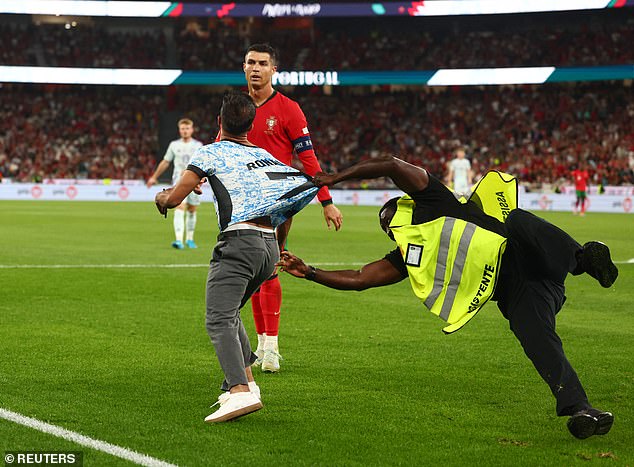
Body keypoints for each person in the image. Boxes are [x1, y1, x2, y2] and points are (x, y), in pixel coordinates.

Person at [278, 155, 619, 439]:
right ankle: (581, 409)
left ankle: (581, 260)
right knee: (539, 343)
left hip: (526, 254)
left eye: (389, 216)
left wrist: (336, 177)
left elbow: (390, 165)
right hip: (519, 294)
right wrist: (310, 272)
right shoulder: (407, 254)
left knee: (516, 220)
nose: (388, 223)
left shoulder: (434, 200)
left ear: (404, 202)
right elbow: (360, 278)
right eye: (386, 225)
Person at [154, 92, 318, 423]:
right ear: (252, 124)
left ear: (219, 122)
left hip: (238, 244)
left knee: (217, 318)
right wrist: (279, 249)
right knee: (231, 314)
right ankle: (248, 382)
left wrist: (161, 196)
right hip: (268, 245)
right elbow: (289, 205)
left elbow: (174, 199)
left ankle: (239, 392)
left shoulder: (210, 151)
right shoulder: (268, 156)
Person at [239, 43, 344, 372]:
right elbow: (221, 145)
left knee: (268, 266)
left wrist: (326, 201)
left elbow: (309, 159)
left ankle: (271, 348)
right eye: (251, 62)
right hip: (243, 201)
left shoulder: (288, 109)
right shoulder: (236, 107)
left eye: (263, 63)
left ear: (274, 70)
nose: (256, 68)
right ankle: (262, 346)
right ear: (244, 67)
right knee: (254, 273)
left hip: (276, 201)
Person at [147, 118, 203, 249]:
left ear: (192, 129)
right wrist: (154, 177)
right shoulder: (174, 145)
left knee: (192, 209)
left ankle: (190, 239)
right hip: (178, 181)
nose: (185, 131)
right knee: (179, 207)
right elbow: (166, 161)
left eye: (187, 128)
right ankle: (179, 240)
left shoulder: (198, 145)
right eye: (183, 129)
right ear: (179, 130)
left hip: (194, 181)